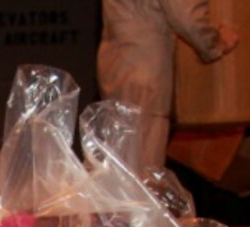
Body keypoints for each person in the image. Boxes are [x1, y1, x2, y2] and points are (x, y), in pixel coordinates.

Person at [97, 0, 240, 171]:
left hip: (117, 58)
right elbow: (185, 15)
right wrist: (216, 42)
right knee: (143, 166)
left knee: (119, 156)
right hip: (146, 65)